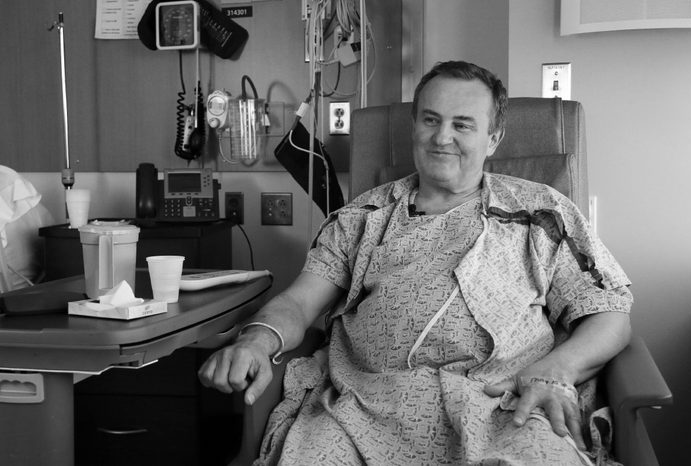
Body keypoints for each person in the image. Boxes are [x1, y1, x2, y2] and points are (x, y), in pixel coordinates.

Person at [199, 61, 632, 465]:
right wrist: (257, 340)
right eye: (431, 120)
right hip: (364, 409)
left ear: (493, 139)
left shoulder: (542, 214)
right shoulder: (361, 219)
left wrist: (556, 371)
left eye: (462, 124)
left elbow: (609, 316)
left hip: (506, 404)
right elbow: (298, 303)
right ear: (415, 126)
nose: (442, 137)